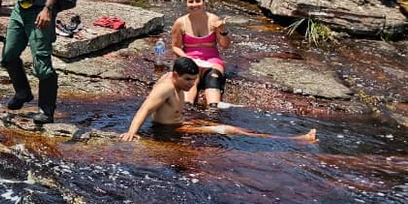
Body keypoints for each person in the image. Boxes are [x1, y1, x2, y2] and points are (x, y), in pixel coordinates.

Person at [118, 57, 318, 142]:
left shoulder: (176, 80)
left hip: (180, 123)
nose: (190, 85)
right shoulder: (165, 87)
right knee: (229, 130)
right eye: (187, 80)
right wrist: (131, 133)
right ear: (175, 75)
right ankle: (295, 139)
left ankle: (282, 137)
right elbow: (144, 109)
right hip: (168, 129)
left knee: (231, 127)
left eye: (193, 81)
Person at [171, 0, 232, 107]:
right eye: (191, 2)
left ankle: (213, 111)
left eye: (198, 1)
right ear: (186, 4)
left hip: (212, 60)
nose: (194, 4)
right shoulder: (180, 23)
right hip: (190, 59)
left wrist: (223, 30)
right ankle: (186, 109)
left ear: (204, 3)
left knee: (213, 78)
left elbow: (225, 45)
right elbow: (175, 47)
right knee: (190, 81)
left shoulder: (213, 19)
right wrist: (187, 58)